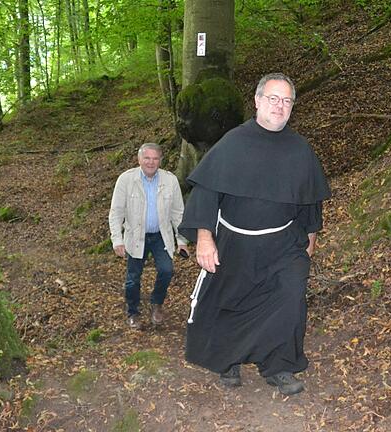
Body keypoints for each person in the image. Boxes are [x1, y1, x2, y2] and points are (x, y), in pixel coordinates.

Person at [178, 73, 331, 396]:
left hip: (284, 244)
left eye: (287, 100)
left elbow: (310, 203)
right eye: (273, 98)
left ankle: (280, 365)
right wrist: (205, 238)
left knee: (289, 296)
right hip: (235, 242)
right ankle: (228, 360)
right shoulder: (232, 142)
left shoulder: (300, 150)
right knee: (231, 301)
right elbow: (206, 193)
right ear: (258, 101)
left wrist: (310, 244)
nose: (280, 106)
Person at [109, 143, 189, 329]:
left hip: (161, 235)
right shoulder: (126, 180)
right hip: (135, 236)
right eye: (147, 158)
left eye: (155, 159)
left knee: (167, 270)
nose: (151, 162)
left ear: (160, 160)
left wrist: (182, 240)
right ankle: (133, 312)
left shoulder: (170, 181)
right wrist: (117, 240)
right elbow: (116, 212)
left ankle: (156, 303)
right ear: (139, 160)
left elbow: (178, 213)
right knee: (133, 278)